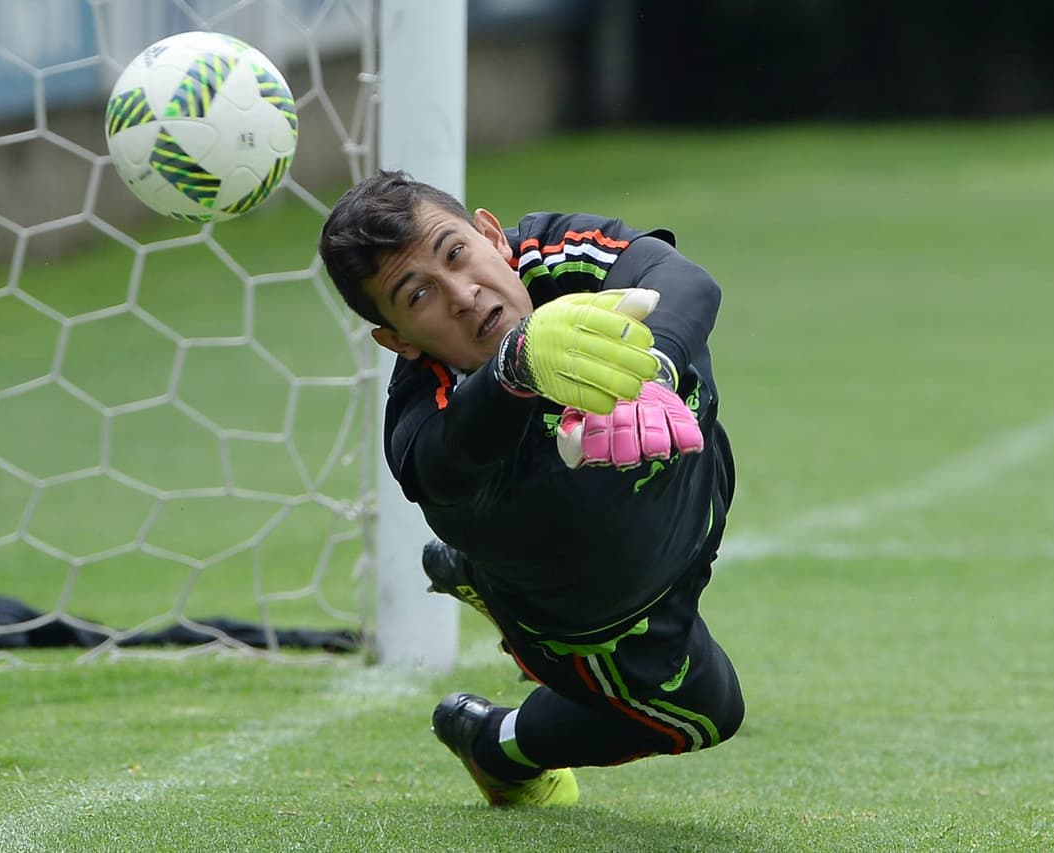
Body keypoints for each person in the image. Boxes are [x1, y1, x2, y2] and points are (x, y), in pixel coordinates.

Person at [318, 170, 743, 806]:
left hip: (694, 506)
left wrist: (653, 370)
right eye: (418, 295)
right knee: (707, 713)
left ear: (492, 235)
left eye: (455, 253)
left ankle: (468, 572)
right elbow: (444, 463)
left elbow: (685, 280)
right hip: (598, 615)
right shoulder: (424, 415)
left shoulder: (551, 256)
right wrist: (516, 367)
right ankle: (492, 743)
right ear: (397, 340)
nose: (462, 294)